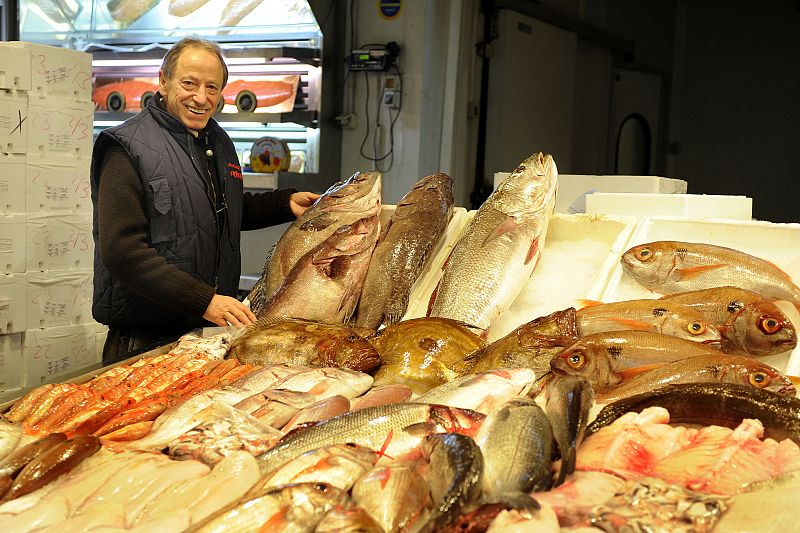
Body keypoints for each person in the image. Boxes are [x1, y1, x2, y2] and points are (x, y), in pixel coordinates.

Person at [90, 37, 320, 364]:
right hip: (143, 342)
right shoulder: (126, 146)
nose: (201, 97)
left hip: (203, 336)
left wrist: (285, 205)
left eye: (212, 88)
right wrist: (206, 301)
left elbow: (218, 211)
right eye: (189, 83)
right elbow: (123, 251)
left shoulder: (216, 140)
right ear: (164, 80)